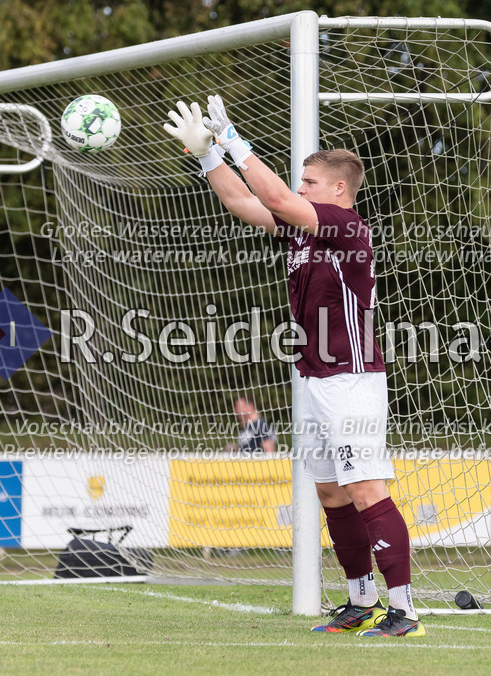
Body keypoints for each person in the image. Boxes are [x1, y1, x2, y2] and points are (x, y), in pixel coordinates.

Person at [163, 97, 424, 637]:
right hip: (312, 378)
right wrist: (208, 156)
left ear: (338, 191)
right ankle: (362, 601)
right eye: (301, 181)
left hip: (351, 377)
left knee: (367, 490)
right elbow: (245, 201)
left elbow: (276, 195)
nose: (300, 188)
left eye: (309, 181)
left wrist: (233, 138)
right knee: (331, 493)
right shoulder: (302, 230)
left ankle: (405, 611)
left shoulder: (347, 227)